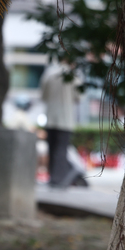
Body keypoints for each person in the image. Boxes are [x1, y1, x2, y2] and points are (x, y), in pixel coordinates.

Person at [39, 60, 87, 188]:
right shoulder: (73, 76)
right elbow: (79, 97)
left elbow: (43, 96)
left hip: (50, 118)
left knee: (52, 149)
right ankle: (59, 179)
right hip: (66, 120)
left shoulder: (49, 74)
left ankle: (53, 178)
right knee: (61, 149)